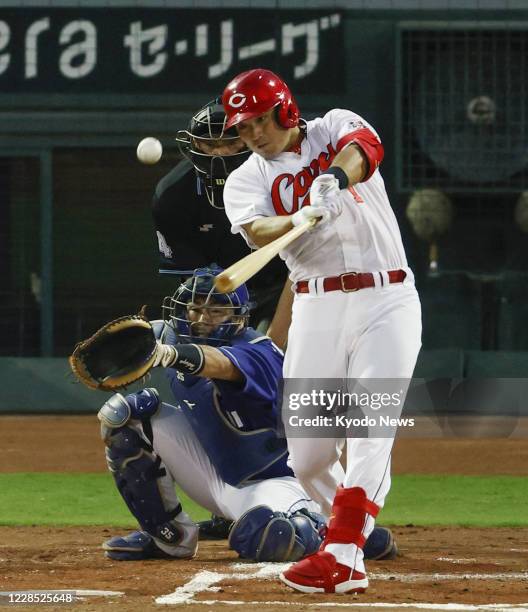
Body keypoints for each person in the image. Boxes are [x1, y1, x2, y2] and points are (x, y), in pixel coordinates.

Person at [221, 69, 422, 592]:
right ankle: (353, 524)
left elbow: (365, 146)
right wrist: (298, 217)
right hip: (316, 305)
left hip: (386, 296)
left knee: (369, 425)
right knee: (308, 456)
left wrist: (332, 179)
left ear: (285, 110)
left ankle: (344, 551)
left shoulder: (332, 127)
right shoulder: (247, 179)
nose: (254, 134)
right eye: (244, 128)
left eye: (261, 120)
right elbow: (257, 230)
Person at [99, 267, 397, 563]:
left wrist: (170, 355)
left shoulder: (256, 351)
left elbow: (219, 364)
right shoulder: (174, 337)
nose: (203, 318)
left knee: (271, 536)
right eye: (195, 307)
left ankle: (341, 531)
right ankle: (169, 538)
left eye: (216, 309)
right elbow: (152, 333)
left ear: (238, 317)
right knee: (123, 415)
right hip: (217, 476)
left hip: (279, 482)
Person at [153, 97, 287, 334]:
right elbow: (190, 278)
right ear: (193, 143)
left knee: (274, 356)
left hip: (282, 285)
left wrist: (275, 334)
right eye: (209, 144)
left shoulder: (281, 179)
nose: (219, 153)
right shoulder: (172, 195)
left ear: (246, 140)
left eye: (229, 142)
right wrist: (216, 316)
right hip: (218, 297)